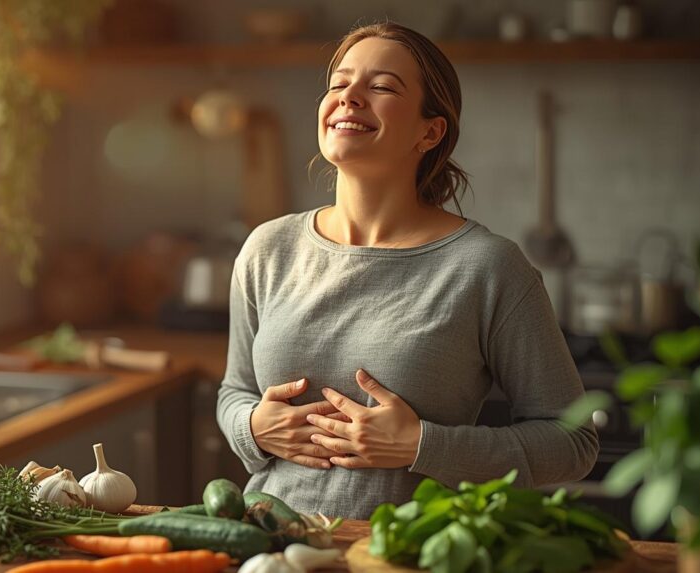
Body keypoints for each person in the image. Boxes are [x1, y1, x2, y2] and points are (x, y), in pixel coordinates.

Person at [216, 22, 598, 521]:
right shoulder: (268, 248)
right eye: (338, 84)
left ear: (430, 131)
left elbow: (573, 442)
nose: (349, 97)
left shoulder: (487, 267)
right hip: (268, 545)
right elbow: (234, 392)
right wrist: (253, 429)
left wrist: (422, 444)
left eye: (380, 87)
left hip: (410, 553)